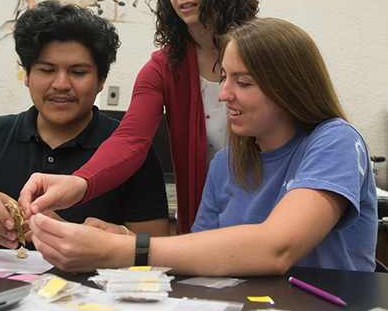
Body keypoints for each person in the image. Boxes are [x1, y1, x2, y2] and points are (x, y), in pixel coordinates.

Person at [28, 17, 377, 275]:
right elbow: (194, 257)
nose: (224, 94)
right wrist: (117, 234)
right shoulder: (225, 163)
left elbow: (277, 248)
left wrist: (118, 249)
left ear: (289, 86)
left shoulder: (336, 140)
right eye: (225, 78)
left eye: (242, 82)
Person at [20, 0, 259, 234]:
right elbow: (130, 140)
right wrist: (78, 183)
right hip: (205, 229)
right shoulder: (162, 68)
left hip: (273, 217)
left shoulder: (266, 54)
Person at [0, 1, 169, 249]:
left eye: (78, 72)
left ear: (101, 81)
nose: (61, 84)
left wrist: (99, 240)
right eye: (47, 70)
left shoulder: (132, 151)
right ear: (26, 75)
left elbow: (156, 247)